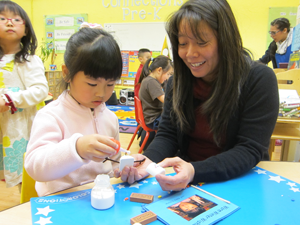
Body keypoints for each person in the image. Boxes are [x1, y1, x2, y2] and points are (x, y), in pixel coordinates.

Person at [115, 0, 279, 192]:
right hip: (187, 180)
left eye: (202, 42)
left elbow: (249, 149)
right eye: (183, 43)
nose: (190, 53)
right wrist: (148, 159)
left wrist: (194, 170)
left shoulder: (258, 79)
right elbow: (168, 134)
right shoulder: (177, 82)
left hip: (238, 180)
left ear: (225, 39)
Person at [25, 27, 123, 196]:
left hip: (100, 200)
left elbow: (115, 162)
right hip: (61, 203)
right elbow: (35, 167)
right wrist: (76, 149)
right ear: (66, 74)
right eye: (92, 84)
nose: (101, 93)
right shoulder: (51, 116)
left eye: (110, 84)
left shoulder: (110, 118)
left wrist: (124, 169)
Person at [0, 1, 48, 188]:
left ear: (26, 30)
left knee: (24, 172)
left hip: (20, 126)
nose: (9, 22)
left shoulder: (29, 61)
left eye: (16, 19)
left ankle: (29, 204)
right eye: (3, 19)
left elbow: (40, 90)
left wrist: (9, 99)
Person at [138, 55, 174, 130]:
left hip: (153, 118)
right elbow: (167, 101)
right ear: (159, 70)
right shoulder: (151, 82)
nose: (168, 77)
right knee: (180, 121)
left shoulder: (153, 80)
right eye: (168, 74)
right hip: (154, 120)